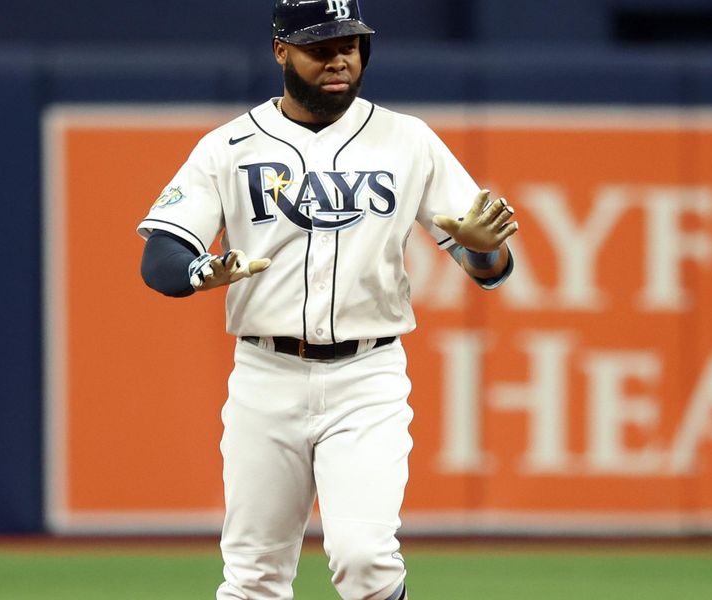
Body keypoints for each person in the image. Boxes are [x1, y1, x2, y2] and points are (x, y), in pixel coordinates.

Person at [138, 1, 518, 598]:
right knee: (254, 575)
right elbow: (161, 254)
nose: (339, 59)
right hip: (266, 373)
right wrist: (198, 271)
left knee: (366, 559)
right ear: (280, 51)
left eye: (350, 44)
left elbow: (488, 266)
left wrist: (483, 250)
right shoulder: (229, 145)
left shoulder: (407, 138)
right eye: (320, 46)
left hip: (368, 376)